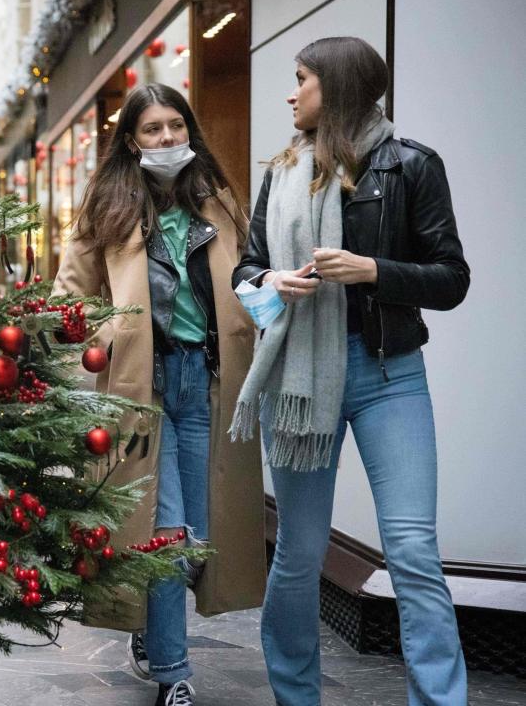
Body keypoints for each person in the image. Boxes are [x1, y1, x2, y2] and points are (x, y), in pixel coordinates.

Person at [231, 36, 469, 705]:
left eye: (300, 79)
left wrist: (373, 272)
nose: (291, 92)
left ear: (333, 87)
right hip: (302, 382)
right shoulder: (281, 173)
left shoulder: (411, 165)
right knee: (300, 555)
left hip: (389, 375)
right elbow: (245, 270)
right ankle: (295, 697)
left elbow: (453, 278)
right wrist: (272, 278)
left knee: (414, 552)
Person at [53, 83, 265, 706]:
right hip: (141, 389)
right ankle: (175, 673)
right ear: (130, 140)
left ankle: (150, 632)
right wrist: (111, 333)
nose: (168, 138)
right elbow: (71, 299)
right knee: (166, 533)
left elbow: (246, 274)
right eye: (153, 129)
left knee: (199, 532)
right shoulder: (106, 210)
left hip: (207, 383)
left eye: (176, 126)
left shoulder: (219, 204)